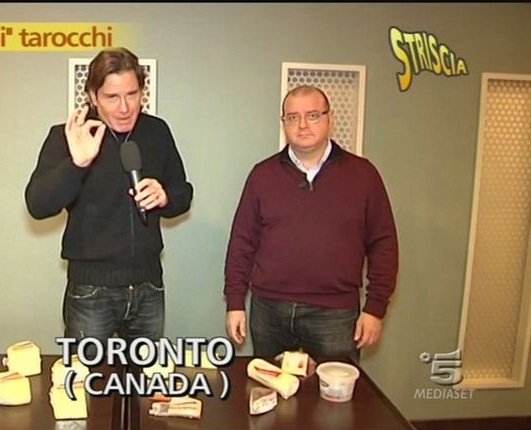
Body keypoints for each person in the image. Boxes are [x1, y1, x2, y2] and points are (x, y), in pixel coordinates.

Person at [25, 47, 193, 358]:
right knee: (84, 381)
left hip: (148, 286)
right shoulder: (69, 136)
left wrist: (166, 196)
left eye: (132, 94)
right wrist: (77, 164)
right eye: (112, 97)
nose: (125, 107)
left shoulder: (157, 131)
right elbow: (38, 205)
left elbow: (184, 193)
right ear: (93, 96)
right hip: (91, 291)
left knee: (145, 380)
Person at [224, 85, 398, 361]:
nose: (302, 125)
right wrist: (235, 303)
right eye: (293, 117)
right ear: (284, 123)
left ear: (330, 119)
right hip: (269, 310)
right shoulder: (262, 175)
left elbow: (384, 245)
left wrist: (375, 308)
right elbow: (242, 243)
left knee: (334, 389)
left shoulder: (363, 175)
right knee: (268, 386)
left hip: (335, 315)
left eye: (313, 115)